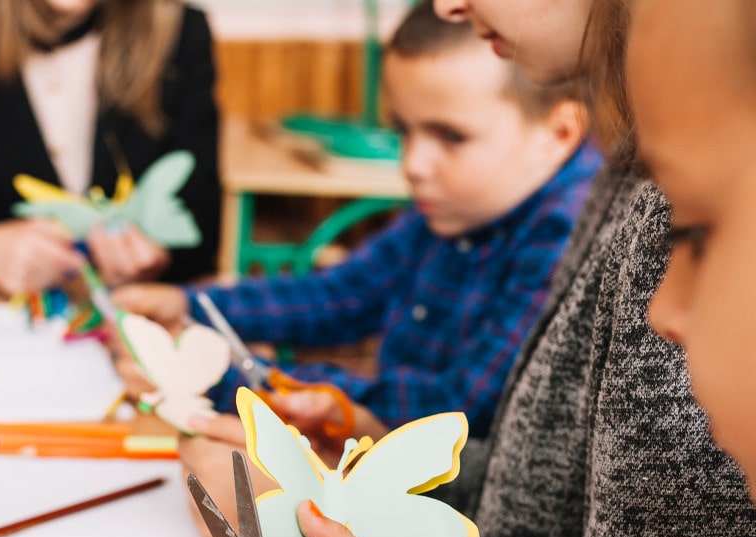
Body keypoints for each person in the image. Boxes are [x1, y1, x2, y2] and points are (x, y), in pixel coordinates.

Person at [164, 0, 756, 537]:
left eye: (698, 235)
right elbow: (539, 491)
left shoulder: (665, 198)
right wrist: (354, 478)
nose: (443, 3)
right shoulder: (632, 175)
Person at [112, 0, 600, 444]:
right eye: (403, 131)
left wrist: (223, 374)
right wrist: (188, 303)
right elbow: (339, 294)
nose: (413, 164)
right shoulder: (452, 209)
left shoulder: (565, 235)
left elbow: (458, 406)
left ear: (557, 133)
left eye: (450, 136)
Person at [0, 0, 221, 295]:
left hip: (135, 310)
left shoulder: (181, 31)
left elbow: (203, 223)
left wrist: (161, 255)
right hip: (12, 314)